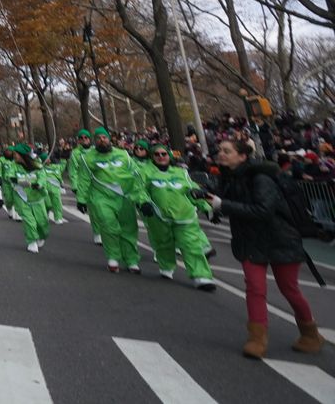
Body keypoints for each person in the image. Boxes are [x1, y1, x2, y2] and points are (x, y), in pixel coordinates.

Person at [210, 137, 324, 357]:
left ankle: (310, 332)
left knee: (289, 289)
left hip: (279, 239)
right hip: (251, 241)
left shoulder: (262, 178)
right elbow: (228, 204)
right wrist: (212, 206)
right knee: (254, 288)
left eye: (227, 150)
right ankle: (257, 338)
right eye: (220, 150)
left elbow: (263, 210)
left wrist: (223, 205)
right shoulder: (228, 178)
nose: (221, 154)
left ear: (242, 156)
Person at [135, 143, 215, 291]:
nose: (160, 157)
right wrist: (144, 202)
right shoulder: (145, 172)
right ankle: (166, 266)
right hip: (159, 217)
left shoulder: (181, 173)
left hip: (185, 216)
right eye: (157, 154)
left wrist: (208, 208)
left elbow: (194, 191)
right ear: (152, 157)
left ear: (169, 156)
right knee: (163, 244)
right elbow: (139, 189)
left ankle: (201, 277)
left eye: (163, 154)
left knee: (192, 245)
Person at [78, 127, 142, 274]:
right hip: (102, 197)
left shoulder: (123, 154)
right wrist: (81, 199)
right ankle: (113, 257)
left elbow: (136, 174)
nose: (102, 140)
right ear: (95, 141)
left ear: (109, 139)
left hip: (125, 197)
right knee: (109, 225)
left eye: (104, 137)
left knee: (129, 229)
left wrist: (140, 196)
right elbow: (84, 179)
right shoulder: (88, 158)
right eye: (99, 138)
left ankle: (132, 260)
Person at [9, 144, 49, 253]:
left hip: (37, 198)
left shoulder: (37, 165)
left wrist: (39, 185)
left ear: (23, 155)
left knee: (42, 223)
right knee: (29, 221)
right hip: (22, 197)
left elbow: (42, 177)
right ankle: (31, 241)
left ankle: (41, 236)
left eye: (16, 154)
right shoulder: (13, 165)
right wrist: (20, 182)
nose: (14, 156)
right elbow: (11, 177)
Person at [68, 129, 102, 244]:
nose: (83, 140)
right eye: (81, 138)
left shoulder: (96, 151)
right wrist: (75, 185)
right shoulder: (75, 153)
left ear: (89, 139)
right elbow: (73, 171)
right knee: (93, 209)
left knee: (103, 208)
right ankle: (97, 232)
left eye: (86, 138)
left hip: (100, 184)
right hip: (85, 184)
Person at [39, 152, 66, 224]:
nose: (49, 159)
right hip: (45, 189)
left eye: (48, 158)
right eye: (46, 159)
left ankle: (58, 218)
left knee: (57, 203)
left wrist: (64, 156)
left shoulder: (55, 167)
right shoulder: (40, 169)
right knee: (48, 204)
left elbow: (62, 166)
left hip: (55, 189)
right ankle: (45, 214)